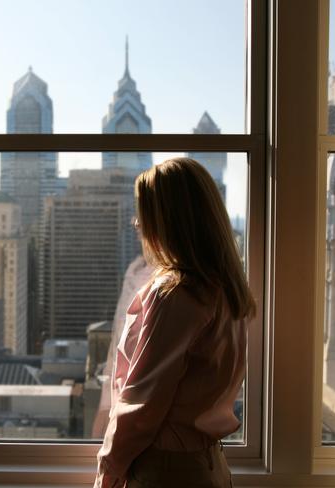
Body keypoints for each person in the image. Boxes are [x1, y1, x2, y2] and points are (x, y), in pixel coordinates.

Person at [94, 158, 255, 488]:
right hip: (209, 465)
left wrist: (108, 471)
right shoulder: (225, 290)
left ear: (166, 221)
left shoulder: (176, 295)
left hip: (167, 470)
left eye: (145, 214)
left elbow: (141, 404)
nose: (137, 224)